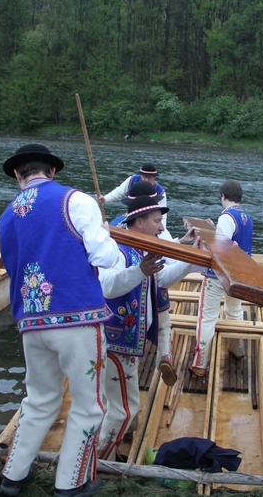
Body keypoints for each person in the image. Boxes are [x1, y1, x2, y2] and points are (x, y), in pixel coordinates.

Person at [0, 144, 121, 497]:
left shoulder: (5, 217)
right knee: (88, 404)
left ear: (19, 176)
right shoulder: (75, 200)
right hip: (77, 319)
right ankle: (71, 483)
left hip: (31, 322)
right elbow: (106, 257)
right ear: (52, 171)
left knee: (39, 399)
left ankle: (13, 477)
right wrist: (105, 233)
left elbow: (12, 266)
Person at [97, 182, 200, 461]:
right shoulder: (118, 248)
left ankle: (108, 451)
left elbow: (161, 279)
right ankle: (99, 461)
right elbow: (107, 286)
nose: (160, 225)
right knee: (123, 410)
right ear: (140, 221)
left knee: (116, 404)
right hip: (114, 342)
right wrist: (139, 271)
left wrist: (191, 260)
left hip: (127, 342)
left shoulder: (142, 247)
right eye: (157, 220)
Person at [189, 180, 253, 377]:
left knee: (207, 318)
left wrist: (203, 235)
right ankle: (237, 349)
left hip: (219, 276)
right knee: (234, 312)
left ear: (223, 196)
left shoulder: (226, 217)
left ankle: (200, 363)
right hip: (239, 275)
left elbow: (220, 247)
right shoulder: (246, 218)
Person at [97, 164, 168, 227]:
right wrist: (105, 199)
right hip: (131, 215)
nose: (146, 180)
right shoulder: (132, 180)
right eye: (145, 177)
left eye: (149, 177)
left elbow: (162, 216)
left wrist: (160, 231)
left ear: (154, 177)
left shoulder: (160, 192)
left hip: (148, 221)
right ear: (141, 175)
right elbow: (119, 192)